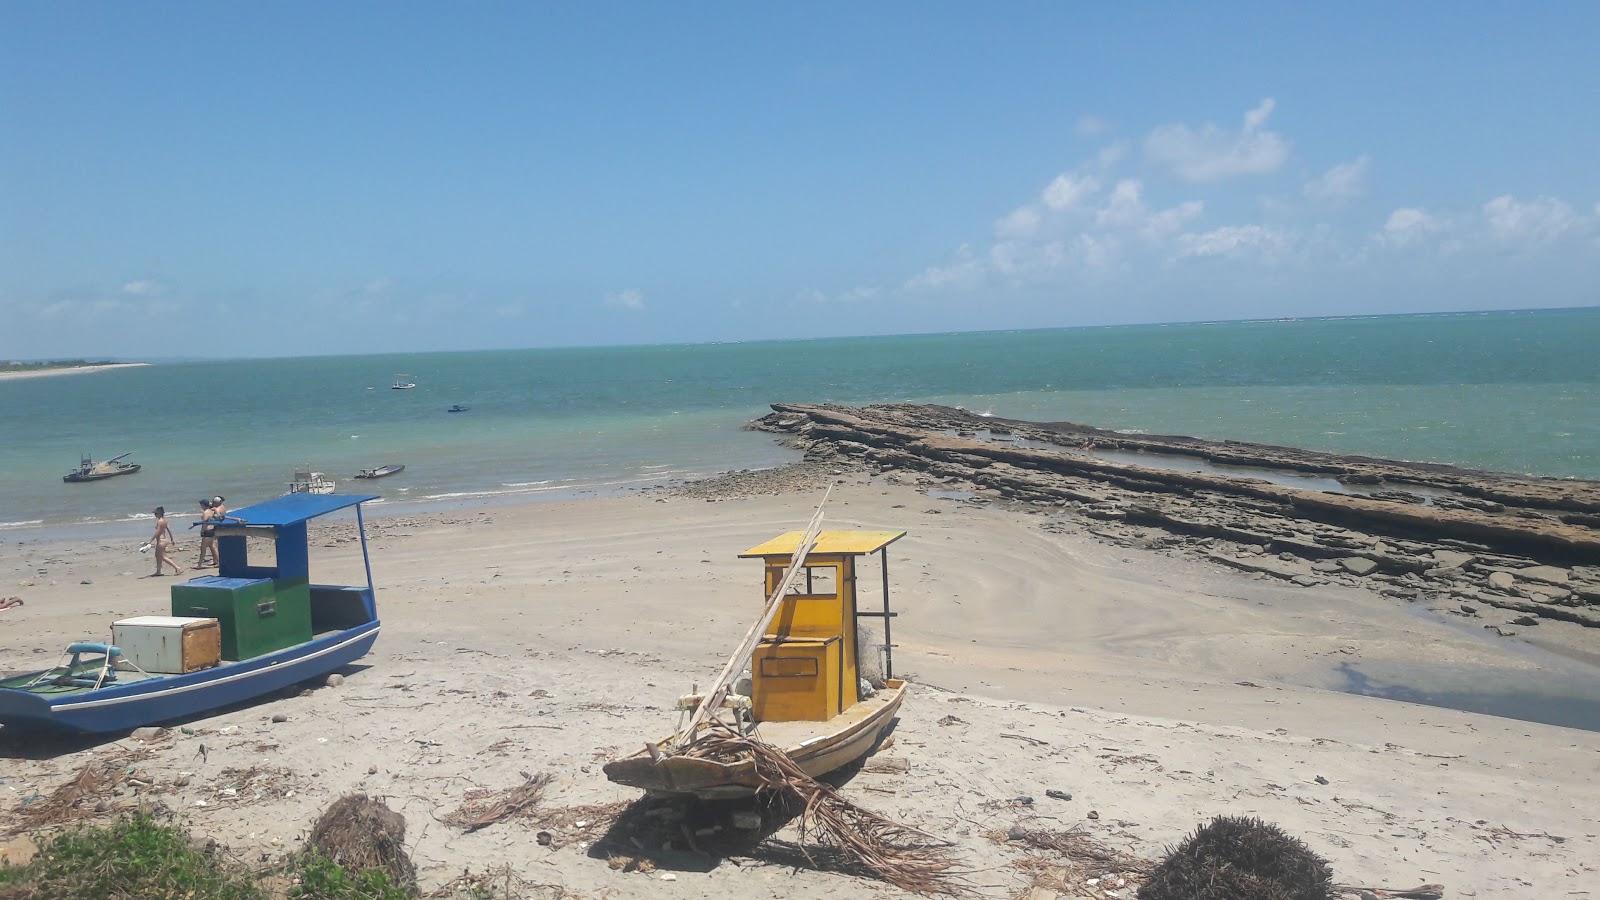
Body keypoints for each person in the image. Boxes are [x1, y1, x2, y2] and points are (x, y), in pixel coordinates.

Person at [150, 506, 183, 576]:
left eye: (156, 513)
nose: (155, 515)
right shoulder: (164, 521)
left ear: (159, 514)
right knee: (157, 556)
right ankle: (158, 571)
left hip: (161, 541)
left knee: (163, 557)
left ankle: (177, 567)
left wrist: (150, 541)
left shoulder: (160, 521)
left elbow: (158, 532)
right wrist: (172, 539)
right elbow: (169, 530)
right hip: (164, 540)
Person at [190, 499, 217, 567]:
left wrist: (202, 531)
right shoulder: (211, 511)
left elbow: (204, 523)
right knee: (212, 546)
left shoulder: (206, 512)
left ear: (203, 505)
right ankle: (217, 561)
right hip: (212, 530)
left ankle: (199, 565)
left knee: (203, 548)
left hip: (207, 531)